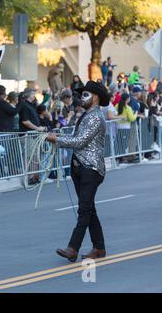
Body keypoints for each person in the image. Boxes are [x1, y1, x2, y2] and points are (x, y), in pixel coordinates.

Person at [46, 81, 110, 262]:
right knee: (89, 210)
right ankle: (99, 247)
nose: (82, 98)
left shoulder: (96, 117)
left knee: (84, 210)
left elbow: (80, 141)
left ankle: (73, 247)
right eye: (82, 95)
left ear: (96, 97)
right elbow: (76, 138)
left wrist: (56, 139)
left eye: (86, 95)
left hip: (91, 169)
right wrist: (54, 138)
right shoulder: (86, 115)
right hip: (80, 168)